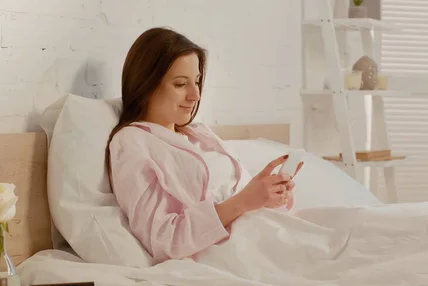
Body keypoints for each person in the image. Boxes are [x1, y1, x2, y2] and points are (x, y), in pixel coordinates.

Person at [105, 27, 302, 263]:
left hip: (267, 233)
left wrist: (271, 198)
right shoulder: (132, 143)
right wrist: (243, 202)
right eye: (180, 84)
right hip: (231, 254)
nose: (195, 95)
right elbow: (164, 241)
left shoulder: (199, 133)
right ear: (145, 84)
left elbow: (245, 198)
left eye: (196, 82)